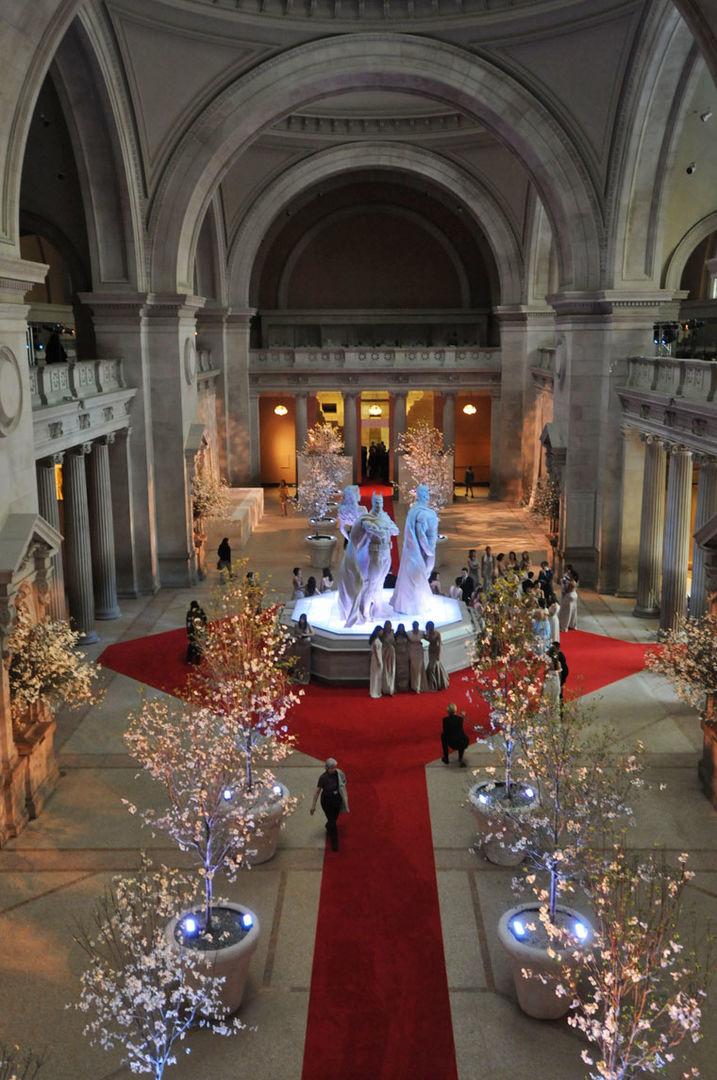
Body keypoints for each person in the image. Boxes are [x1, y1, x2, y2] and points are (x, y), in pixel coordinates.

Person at [391, 484, 438, 615]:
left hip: (414, 550)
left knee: (414, 576)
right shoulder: (423, 513)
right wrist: (429, 551)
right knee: (419, 576)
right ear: (423, 495)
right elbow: (421, 534)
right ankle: (414, 606)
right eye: (427, 493)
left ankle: (408, 604)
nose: (428, 496)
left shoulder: (414, 511)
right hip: (420, 550)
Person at [310, 758, 348, 851]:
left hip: (336, 800)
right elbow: (317, 791)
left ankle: (328, 826)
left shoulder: (338, 773)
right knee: (333, 822)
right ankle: (335, 844)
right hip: (327, 801)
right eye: (332, 768)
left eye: (335, 767)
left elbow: (343, 781)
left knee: (334, 818)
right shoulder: (323, 778)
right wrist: (313, 805)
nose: (334, 769)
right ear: (327, 768)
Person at [425, 621, 449, 691]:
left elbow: (439, 645)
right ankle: (436, 683)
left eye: (430, 627)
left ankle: (434, 685)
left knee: (432, 667)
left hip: (436, 651)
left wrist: (438, 654)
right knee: (434, 666)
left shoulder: (437, 633)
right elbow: (428, 639)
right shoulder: (428, 633)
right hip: (430, 650)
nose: (430, 628)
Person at [292, 612, 314, 684]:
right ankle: (296, 677)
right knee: (298, 660)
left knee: (305, 660)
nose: (302, 621)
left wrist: (305, 634)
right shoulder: (296, 625)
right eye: (301, 619)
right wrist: (298, 635)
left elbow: (313, 633)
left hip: (306, 644)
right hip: (299, 643)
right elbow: (294, 633)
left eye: (303, 620)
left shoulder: (308, 625)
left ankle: (304, 678)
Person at [407, 620, 427, 693]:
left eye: (416, 626)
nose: (415, 627)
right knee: (413, 668)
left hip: (419, 652)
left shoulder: (421, 632)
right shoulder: (408, 633)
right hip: (412, 651)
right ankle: (414, 686)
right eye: (414, 626)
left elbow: (427, 638)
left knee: (419, 669)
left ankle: (419, 686)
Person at [185, 600, 207, 664]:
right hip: (199, 632)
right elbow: (205, 619)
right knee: (198, 646)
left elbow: (188, 624)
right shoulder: (200, 611)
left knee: (191, 645)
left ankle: (189, 659)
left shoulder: (189, 613)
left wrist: (189, 633)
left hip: (192, 632)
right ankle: (197, 661)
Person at [381, 620, 396, 696]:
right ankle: (385, 688)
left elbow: (394, 642)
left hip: (391, 652)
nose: (388, 626)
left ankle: (391, 689)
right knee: (385, 670)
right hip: (384, 652)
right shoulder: (382, 633)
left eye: (389, 625)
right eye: (387, 625)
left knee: (391, 670)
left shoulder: (393, 632)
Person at [394, 623, 410, 692]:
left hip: (405, 655)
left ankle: (405, 686)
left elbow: (409, 645)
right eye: (400, 628)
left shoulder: (406, 636)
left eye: (402, 627)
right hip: (398, 654)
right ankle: (398, 687)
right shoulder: (395, 636)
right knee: (398, 671)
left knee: (405, 671)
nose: (401, 629)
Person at [369, 625, 384, 699]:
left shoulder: (375, 639)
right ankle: (374, 692)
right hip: (377, 658)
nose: (382, 632)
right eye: (381, 631)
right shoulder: (376, 640)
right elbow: (375, 651)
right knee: (376, 675)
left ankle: (375, 691)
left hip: (376, 658)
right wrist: (378, 661)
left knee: (375, 675)